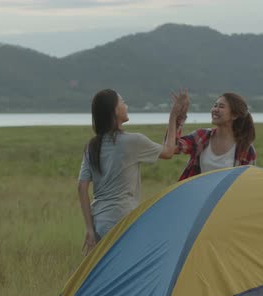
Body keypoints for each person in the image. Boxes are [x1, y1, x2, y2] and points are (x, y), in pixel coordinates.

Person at [78, 89, 187, 255]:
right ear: (115, 110)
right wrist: (173, 116)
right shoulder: (133, 141)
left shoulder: (92, 146)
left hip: (99, 221)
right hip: (122, 219)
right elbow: (168, 151)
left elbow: (81, 187)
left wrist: (89, 228)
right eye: (122, 102)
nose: (126, 105)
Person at [174, 92, 256, 181]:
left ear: (234, 115)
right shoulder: (201, 136)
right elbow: (173, 148)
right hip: (198, 194)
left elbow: (247, 184)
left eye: (221, 106)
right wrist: (176, 118)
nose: (215, 109)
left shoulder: (246, 149)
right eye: (215, 105)